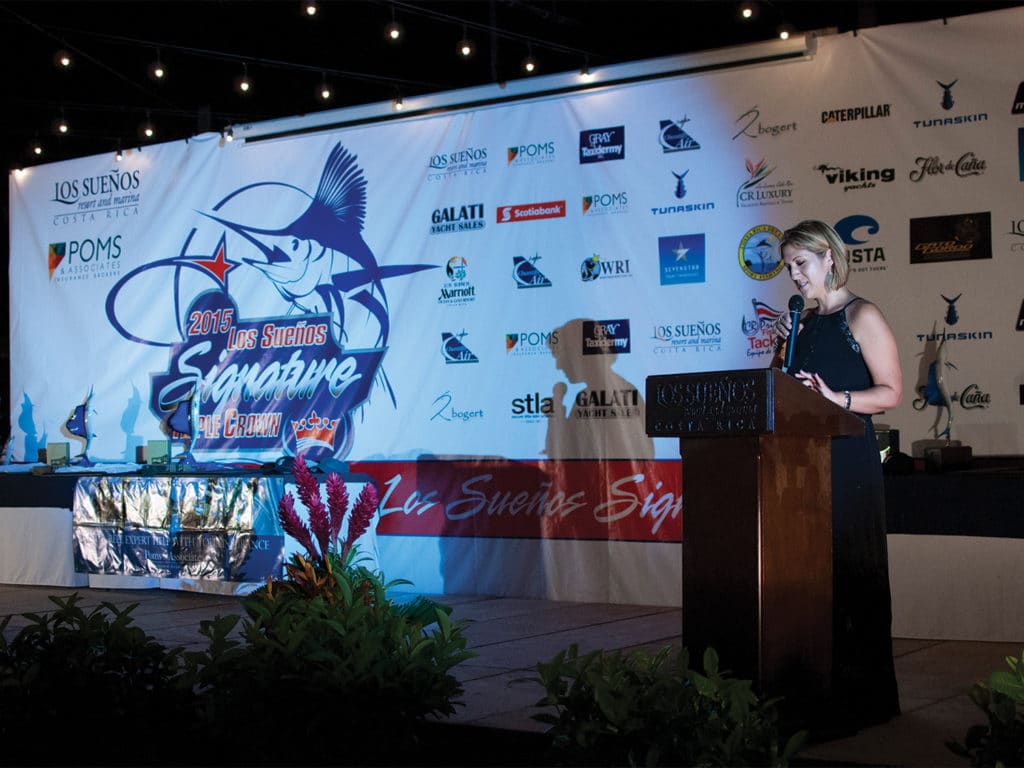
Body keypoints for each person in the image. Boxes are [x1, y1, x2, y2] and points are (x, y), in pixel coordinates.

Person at [771, 219, 902, 733]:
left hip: (847, 461)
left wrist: (837, 399)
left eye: (800, 264)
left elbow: (890, 392)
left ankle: (863, 699)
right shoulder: (799, 321)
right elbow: (778, 391)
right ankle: (813, 695)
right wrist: (781, 345)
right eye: (788, 268)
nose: (794, 276)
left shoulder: (862, 314)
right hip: (799, 468)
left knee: (851, 573)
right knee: (810, 579)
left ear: (829, 257)